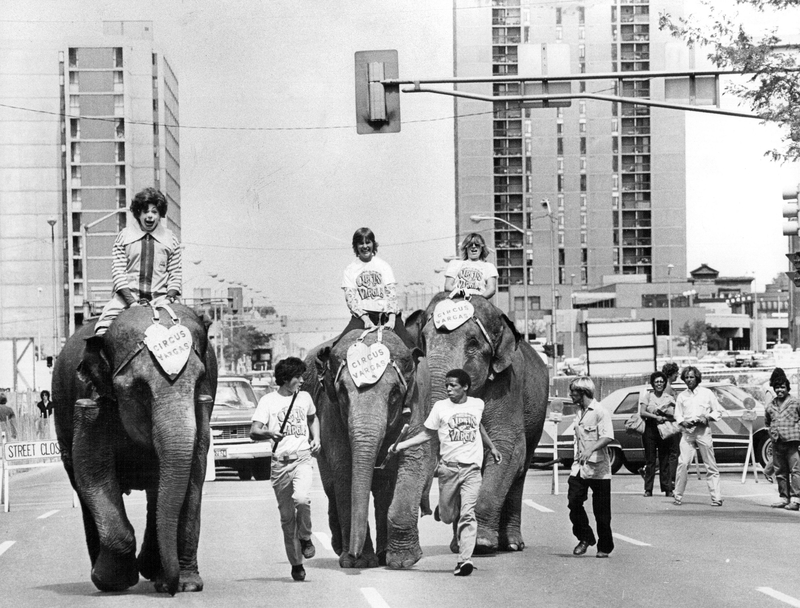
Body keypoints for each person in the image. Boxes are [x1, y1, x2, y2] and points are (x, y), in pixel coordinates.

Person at [390, 369, 501, 577]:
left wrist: (492, 447)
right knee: (449, 516)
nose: (448, 389)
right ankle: (445, 508)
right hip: (448, 469)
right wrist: (402, 445)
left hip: (472, 469)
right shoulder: (440, 407)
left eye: (453, 385)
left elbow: (479, 427)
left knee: (468, 514)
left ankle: (464, 560)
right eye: (446, 386)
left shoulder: (477, 404)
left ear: (465, 386)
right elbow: (427, 433)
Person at [250, 357, 320, 582]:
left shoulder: (305, 398)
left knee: (302, 499)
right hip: (280, 464)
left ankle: (306, 538)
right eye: (297, 377)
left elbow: (312, 418)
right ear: (285, 379)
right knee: (287, 519)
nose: (301, 380)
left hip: (302, 459)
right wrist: (270, 434)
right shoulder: (268, 401)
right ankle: (296, 563)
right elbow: (254, 431)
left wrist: (316, 437)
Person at [92, 187, 182, 338]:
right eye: (145, 211)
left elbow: (175, 274)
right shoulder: (124, 237)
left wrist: (168, 298)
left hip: (161, 300)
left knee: (187, 329)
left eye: (154, 212)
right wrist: (132, 303)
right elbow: (118, 272)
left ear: (160, 215)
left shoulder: (171, 240)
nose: (150, 216)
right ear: (138, 213)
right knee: (101, 331)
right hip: (125, 301)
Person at [338, 227, 415, 348]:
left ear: (373, 244)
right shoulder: (350, 269)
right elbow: (350, 299)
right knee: (339, 347)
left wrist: (392, 320)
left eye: (368, 242)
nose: (365, 246)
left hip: (387, 315)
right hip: (362, 317)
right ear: (356, 246)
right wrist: (366, 320)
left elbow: (391, 294)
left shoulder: (383, 266)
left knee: (410, 347)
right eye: (361, 243)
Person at [567, 376, 614, 558]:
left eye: (573, 392)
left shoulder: (600, 411)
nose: (570, 395)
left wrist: (591, 449)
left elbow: (607, 436)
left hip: (598, 468)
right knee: (574, 502)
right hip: (579, 467)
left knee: (602, 512)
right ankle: (585, 537)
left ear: (583, 392)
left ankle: (605, 546)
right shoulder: (579, 413)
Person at [673, 366, 724, 507]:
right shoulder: (682, 396)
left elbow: (718, 411)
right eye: (687, 377)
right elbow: (677, 414)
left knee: (710, 465)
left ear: (697, 378)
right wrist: (683, 422)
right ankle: (677, 495)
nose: (689, 380)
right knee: (683, 463)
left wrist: (707, 418)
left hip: (703, 431)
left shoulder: (707, 393)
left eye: (691, 377)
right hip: (688, 432)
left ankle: (716, 497)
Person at [638, 372, 680, 497]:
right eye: (657, 382)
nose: (659, 384)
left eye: (661, 381)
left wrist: (665, 416)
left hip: (664, 429)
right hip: (650, 429)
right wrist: (656, 416)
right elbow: (642, 412)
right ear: (653, 384)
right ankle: (648, 489)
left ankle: (667, 489)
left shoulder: (669, 397)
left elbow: (675, 414)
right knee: (650, 460)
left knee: (664, 459)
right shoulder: (648, 396)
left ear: (664, 383)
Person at [764, 367, 800, 510]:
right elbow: (767, 422)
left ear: (787, 388)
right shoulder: (770, 406)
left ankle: (796, 500)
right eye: (777, 388)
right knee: (780, 471)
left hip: (792, 443)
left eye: (782, 387)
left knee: (795, 470)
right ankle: (784, 498)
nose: (780, 390)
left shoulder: (795, 403)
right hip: (777, 442)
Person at [443, 233, 498, 299]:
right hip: (457, 298)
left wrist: (479, 299)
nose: (474, 246)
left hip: (478, 299)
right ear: (466, 247)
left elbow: (491, 288)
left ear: (482, 248)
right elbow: (448, 285)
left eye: (477, 245)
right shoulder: (455, 264)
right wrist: (458, 293)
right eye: (470, 244)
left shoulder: (489, 266)